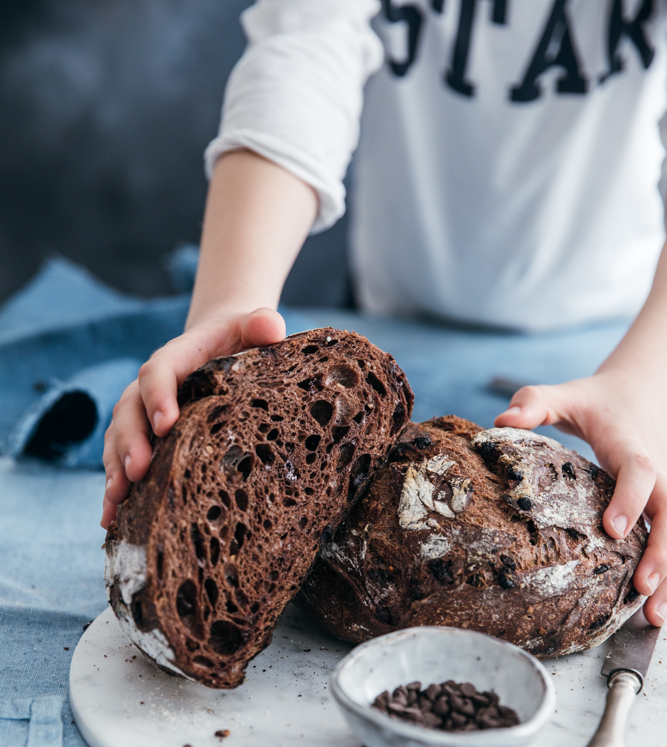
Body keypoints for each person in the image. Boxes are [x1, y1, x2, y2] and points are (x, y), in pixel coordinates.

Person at [101, 0, 667, 626]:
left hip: (619, 347)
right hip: (397, 315)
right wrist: (230, 307)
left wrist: (643, 386)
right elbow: (304, 51)